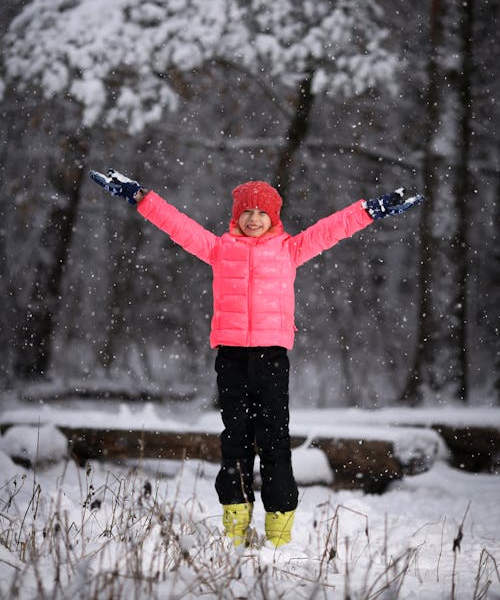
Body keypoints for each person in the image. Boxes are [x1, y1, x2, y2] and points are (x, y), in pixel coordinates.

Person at [91, 169, 423, 548]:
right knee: (235, 442)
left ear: (274, 218)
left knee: (274, 443)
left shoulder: (290, 249)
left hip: (271, 358)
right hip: (231, 358)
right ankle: (235, 529)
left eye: (261, 213)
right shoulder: (219, 249)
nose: (253, 218)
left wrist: (370, 210)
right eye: (246, 212)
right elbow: (177, 225)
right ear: (236, 216)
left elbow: (333, 228)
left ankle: (278, 534)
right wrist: (140, 197)